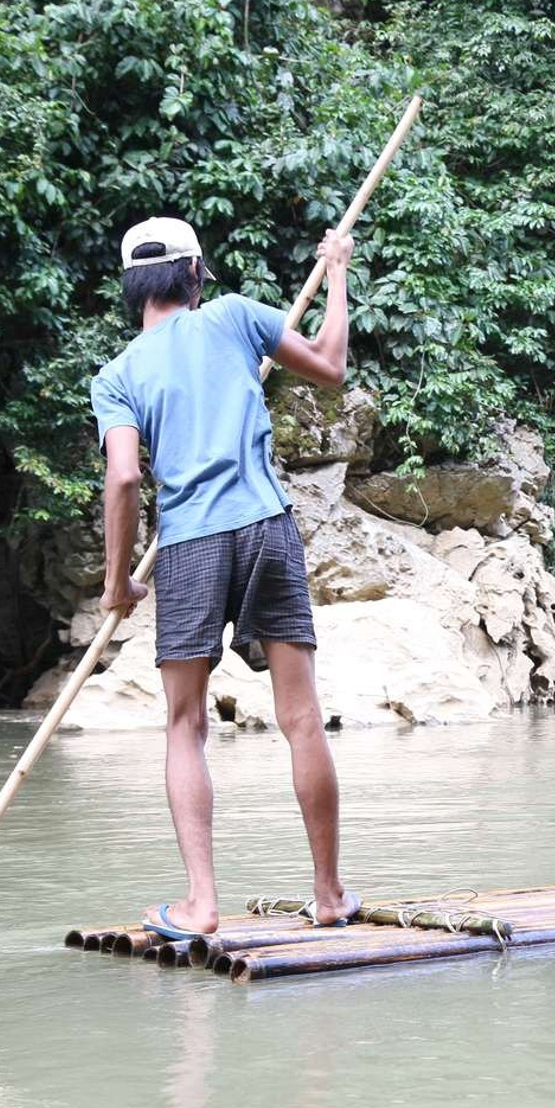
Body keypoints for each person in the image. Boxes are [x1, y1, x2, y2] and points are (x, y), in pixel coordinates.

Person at [92, 215, 361, 938]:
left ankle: (201, 905)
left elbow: (123, 479)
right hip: (267, 527)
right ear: (194, 273)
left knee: (184, 725)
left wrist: (118, 582)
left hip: (188, 547)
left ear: (132, 288)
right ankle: (329, 894)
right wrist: (335, 272)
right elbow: (331, 366)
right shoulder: (236, 317)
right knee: (301, 719)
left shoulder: (116, 376)